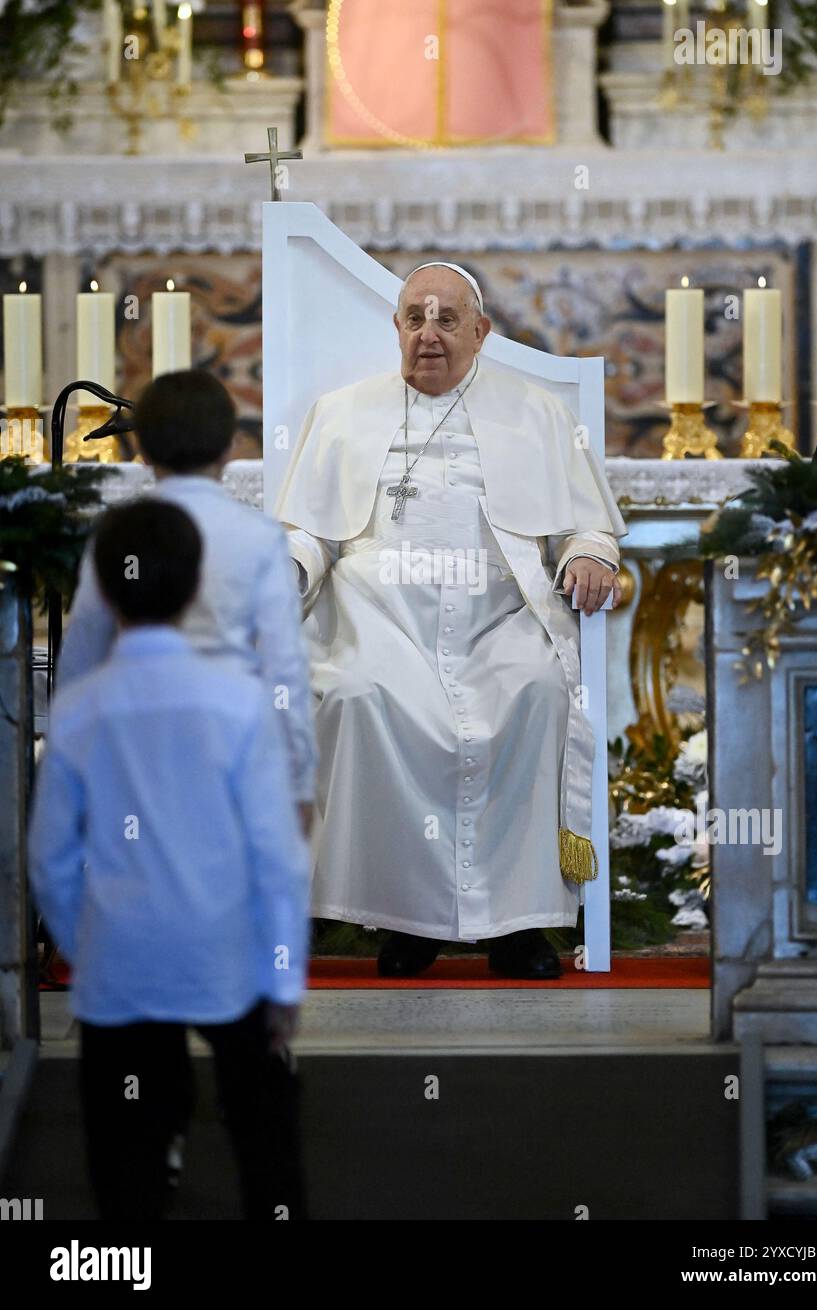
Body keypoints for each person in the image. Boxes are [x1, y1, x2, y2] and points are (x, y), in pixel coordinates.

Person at [277, 261, 627, 980]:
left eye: (446, 319)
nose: (427, 333)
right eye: (414, 317)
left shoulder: (536, 412)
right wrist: (283, 571)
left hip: (503, 618)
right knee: (361, 695)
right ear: (396, 328)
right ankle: (409, 920)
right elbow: (307, 531)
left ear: (481, 331)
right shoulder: (342, 413)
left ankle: (518, 927)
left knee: (537, 690)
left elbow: (589, 524)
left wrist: (590, 553)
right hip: (379, 620)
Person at [29, 499, 310, 1221]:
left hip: (120, 961)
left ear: (104, 588)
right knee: (265, 1147)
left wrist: (84, 946)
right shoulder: (242, 703)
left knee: (126, 1169)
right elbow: (276, 859)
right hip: (229, 955)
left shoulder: (79, 708)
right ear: (193, 590)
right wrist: (283, 978)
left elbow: (51, 857)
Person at [57, 369, 316, 829]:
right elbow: (284, 668)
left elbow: (80, 658)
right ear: (231, 447)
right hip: (230, 744)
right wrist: (297, 785)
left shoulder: (118, 534)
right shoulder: (259, 538)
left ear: (141, 449)